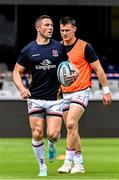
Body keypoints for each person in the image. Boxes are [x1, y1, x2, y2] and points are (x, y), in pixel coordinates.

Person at [13, 15, 77, 177]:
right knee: (37, 132)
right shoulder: (29, 50)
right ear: (38, 28)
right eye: (47, 25)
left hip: (55, 100)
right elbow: (16, 72)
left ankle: (52, 144)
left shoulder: (59, 48)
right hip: (35, 98)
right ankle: (42, 166)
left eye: (51, 25)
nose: (51, 28)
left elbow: (70, 67)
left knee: (53, 134)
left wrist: (74, 73)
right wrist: (21, 88)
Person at [57, 16, 112, 174]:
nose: (64, 33)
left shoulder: (85, 47)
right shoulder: (57, 48)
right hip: (65, 93)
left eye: (67, 30)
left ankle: (68, 162)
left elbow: (99, 69)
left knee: (70, 123)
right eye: (62, 30)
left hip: (81, 90)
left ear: (74, 29)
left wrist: (106, 91)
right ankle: (79, 164)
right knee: (72, 128)